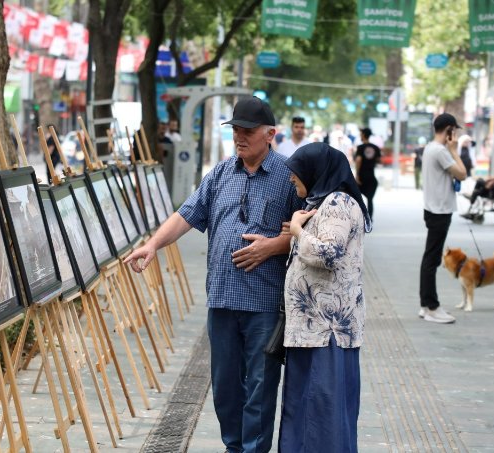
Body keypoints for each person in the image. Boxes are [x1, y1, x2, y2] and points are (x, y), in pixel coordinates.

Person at [124, 96, 301, 453]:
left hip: (264, 304)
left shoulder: (288, 176)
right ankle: (234, 447)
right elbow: (186, 215)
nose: (239, 137)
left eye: (248, 130)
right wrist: (153, 245)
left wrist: (272, 246)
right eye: (235, 129)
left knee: (260, 388)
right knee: (225, 388)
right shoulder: (220, 173)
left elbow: (305, 234)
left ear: (270, 134)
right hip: (221, 299)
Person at [278, 143, 372, 453]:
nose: (292, 178)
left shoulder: (337, 203)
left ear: (314, 171)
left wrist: (297, 230)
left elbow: (329, 253)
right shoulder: (326, 201)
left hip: (325, 332)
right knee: (310, 409)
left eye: (296, 172)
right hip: (314, 331)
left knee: (321, 412)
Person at [419, 113, 467, 324]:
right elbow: (462, 174)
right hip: (439, 211)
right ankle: (432, 307)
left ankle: (425, 305)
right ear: (449, 130)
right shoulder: (441, 151)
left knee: (430, 258)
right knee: (432, 260)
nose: (455, 135)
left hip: (433, 209)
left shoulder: (431, 148)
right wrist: (455, 150)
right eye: (454, 130)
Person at [354, 127, 380, 219]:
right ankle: (370, 219)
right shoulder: (376, 148)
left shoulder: (360, 147)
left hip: (361, 177)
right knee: (370, 199)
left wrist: (357, 175)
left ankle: (358, 218)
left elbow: (358, 160)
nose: (360, 136)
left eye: (361, 134)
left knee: (356, 199)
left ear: (364, 135)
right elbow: (378, 160)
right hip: (371, 176)